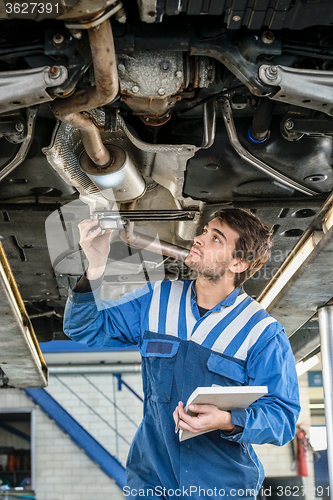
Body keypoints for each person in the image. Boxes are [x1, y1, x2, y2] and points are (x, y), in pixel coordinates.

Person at [64, 208, 300, 500]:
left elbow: (283, 419)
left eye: (216, 238)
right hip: (151, 482)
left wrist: (226, 420)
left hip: (221, 488)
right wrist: (96, 265)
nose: (199, 239)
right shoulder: (157, 299)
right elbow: (84, 327)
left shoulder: (260, 331)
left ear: (238, 263)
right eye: (204, 231)